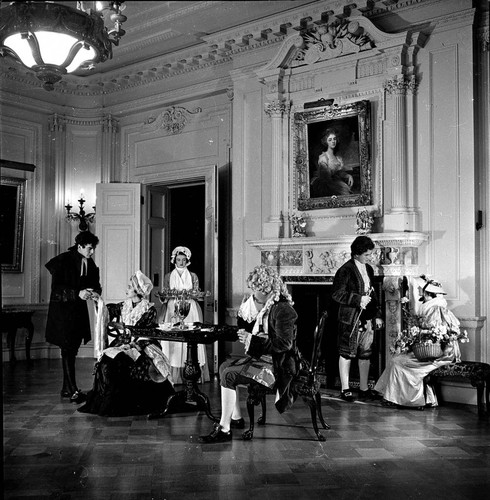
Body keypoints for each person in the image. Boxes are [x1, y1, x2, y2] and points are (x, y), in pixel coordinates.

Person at [199, 265, 299, 443]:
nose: (253, 293)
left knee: (229, 374)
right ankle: (236, 418)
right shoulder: (267, 306)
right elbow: (246, 328)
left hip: (279, 365)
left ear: (267, 289)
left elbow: (284, 344)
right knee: (223, 366)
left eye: (256, 289)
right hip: (267, 358)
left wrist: (253, 340)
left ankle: (224, 428)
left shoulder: (282, 309)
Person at [78, 270, 175, 416]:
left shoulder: (149, 309)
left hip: (140, 344)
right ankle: (105, 400)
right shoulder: (124, 305)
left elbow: (145, 333)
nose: (127, 289)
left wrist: (132, 344)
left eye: (130, 287)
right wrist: (98, 299)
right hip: (123, 342)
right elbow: (107, 310)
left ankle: (122, 402)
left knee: (123, 363)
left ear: (138, 291)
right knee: (106, 361)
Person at [374, 276, 463, 408]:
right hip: (428, 347)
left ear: (429, 294)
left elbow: (438, 333)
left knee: (400, 362)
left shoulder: (436, 308)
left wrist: (418, 334)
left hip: (440, 351)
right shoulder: (429, 307)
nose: (421, 293)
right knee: (397, 359)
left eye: (424, 292)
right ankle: (394, 397)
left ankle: (412, 401)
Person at [45, 231, 102, 404]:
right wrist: (78, 293)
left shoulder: (89, 262)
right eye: (90, 249)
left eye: (93, 249)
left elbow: (95, 284)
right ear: (80, 246)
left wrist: (94, 293)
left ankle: (66, 388)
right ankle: (72, 389)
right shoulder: (63, 260)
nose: (92, 252)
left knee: (72, 348)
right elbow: (56, 289)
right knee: (67, 348)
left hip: (77, 311)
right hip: (62, 312)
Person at [331, 235, 383, 402]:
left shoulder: (369, 269)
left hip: (367, 319)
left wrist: (377, 315)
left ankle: (363, 388)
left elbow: (373, 294)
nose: (370, 257)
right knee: (346, 353)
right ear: (356, 254)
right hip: (350, 320)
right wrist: (358, 299)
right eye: (367, 255)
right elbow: (337, 294)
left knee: (365, 354)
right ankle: (345, 389)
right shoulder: (345, 270)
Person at [159, 246, 209, 384]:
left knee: (191, 336)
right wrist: (167, 296)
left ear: (187, 260)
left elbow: (197, 294)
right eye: (178, 259)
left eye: (183, 260)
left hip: (190, 308)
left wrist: (194, 295)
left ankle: (192, 371)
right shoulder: (168, 276)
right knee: (173, 338)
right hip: (172, 308)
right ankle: (173, 373)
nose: (180, 262)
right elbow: (164, 294)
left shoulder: (193, 276)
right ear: (174, 260)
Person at [310, 128, 353, 198]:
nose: (333, 141)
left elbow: (339, 172)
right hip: (326, 185)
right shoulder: (324, 158)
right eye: (330, 140)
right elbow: (325, 178)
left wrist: (348, 175)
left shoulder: (338, 158)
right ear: (326, 142)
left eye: (334, 139)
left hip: (335, 182)